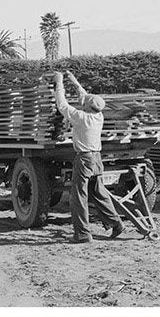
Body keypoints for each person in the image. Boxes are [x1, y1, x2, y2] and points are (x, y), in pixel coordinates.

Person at [53, 70, 123, 244]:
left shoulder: (81, 118)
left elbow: (62, 105)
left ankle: (83, 234)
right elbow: (84, 97)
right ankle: (116, 223)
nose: (82, 103)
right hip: (97, 159)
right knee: (99, 193)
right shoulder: (98, 116)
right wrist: (73, 80)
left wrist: (59, 82)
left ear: (88, 107)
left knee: (78, 197)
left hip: (84, 160)